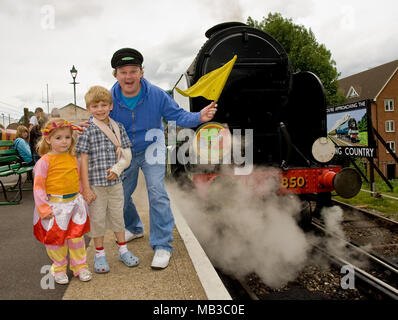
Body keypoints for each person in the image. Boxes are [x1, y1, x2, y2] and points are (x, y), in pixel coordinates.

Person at [109, 48, 217, 269]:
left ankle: (162, 246)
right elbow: (98, 121)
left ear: (141, 72)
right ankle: (135, 227)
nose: (128, 77)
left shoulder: (157, 95)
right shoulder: (109, 99)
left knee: (157, 192)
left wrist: (199, 116)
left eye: (133, 71)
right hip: (125, 152)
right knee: (119, 195)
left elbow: (177, 115)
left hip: (153, 147)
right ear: (116, 75)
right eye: (123, 72)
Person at [75, 85, 139, 273]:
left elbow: (126, 154)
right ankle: (100, 254)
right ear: (88, 109)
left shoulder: (118, 127)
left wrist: (118, 169)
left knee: (118, 216)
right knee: (97, 220)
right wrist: (85, 188)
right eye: (95, 106)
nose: (100, 109)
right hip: (95, 185)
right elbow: (83, 161)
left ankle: (123, 250)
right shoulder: (87, 130)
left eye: (104, 105)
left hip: (116, 183)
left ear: (111, 106)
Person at [33, 118, 92, 284]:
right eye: (58, 138)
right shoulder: (44, 161)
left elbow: (77, 180)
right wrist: (43, 209)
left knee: (76, 238)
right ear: (48, 139)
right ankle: (58, 268)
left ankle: (80, 266)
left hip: (74, 205)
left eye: (67, 137)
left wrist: (83, 195)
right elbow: (38, 187)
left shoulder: (73, 158)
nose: (64, 141)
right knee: (56, 240)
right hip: (55, 207)